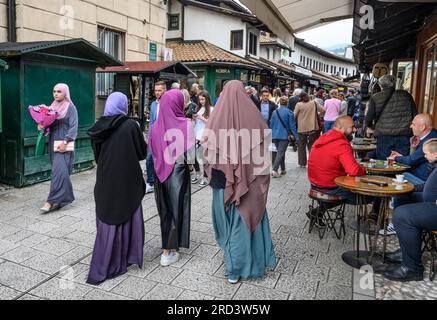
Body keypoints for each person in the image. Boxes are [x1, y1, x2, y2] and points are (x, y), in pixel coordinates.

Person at [203, 80, 276, 284]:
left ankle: (233, 267)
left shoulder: (215, 116)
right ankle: (244, 263)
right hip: (249, 185)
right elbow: (263, 155)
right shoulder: (255, 116)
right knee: (243, 222)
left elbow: (207, 151)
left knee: (228, 223)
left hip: (221, 183)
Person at [87, 92, 147, 285]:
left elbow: (97, 157)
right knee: (128, 211)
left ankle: (106, 260)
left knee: (108, 215)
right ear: (124, 105)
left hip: (105, 178)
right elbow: (141, 153)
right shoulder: (130, 125)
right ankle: (127, 256)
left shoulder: (97, 128)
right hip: (127, 179)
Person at [149, 89, 195, 267]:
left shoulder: (154, 127)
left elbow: (152, 151)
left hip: (160, 172)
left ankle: (168, 248)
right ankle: (168, 252)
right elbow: (190, 157)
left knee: (165, 209)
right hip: (178, 172)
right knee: (178, 209)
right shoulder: (186, 124)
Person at [383, 139, 437, 282]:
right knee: (402, 197)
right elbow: (428, 186)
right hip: (430, 201)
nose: (425, 156)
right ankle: (405, 252)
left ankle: (412, 268)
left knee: (402, 216)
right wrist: (409, 188)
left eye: (426, 154)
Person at [308, 116, 366, 205]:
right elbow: (353, 171)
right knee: (375, 195)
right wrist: (364, 170)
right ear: (341, 128)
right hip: (331, 189)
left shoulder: (322, 138)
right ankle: (372, 216)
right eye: (352, 127)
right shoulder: (342, 144)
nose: (355, 130)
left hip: (314, 186)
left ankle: (319, 211)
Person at [40, 84, 78, 213]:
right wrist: (42, 126)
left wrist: (65, 141)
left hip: (64, 143)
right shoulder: (52, 107)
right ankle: (63, 198)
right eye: (54, 91)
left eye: (59, 91)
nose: (56, 94)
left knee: (59, 171)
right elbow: (49, 125)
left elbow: (73, 127)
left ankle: (50, 201)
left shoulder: (71, 107)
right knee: (60, 171)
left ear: (65, 93)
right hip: (53, 142)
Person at [365, 74, 417, 160]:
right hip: (403, 135)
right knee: (401, 162)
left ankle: (384, 174)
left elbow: (368, 119)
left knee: (383, 162)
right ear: (394, 83)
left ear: (381, 85)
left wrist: (373, 127)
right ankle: (399, 174)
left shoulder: (376, 97)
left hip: (383, 135)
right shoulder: (406, 95)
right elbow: (415, 115)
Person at [389, 113, 437, 186]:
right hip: (424, 177)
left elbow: (411, 161)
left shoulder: (430, 140)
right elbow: (414, 158)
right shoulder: (430, 135)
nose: (410, 126)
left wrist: (396, 157)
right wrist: (401, 156)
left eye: (413, 124)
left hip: (425, 182)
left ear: (422, 127)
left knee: (400, 176)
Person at [145, 81, 167, 194]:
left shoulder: (168, 103)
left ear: (165, 90)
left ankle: (163, 182)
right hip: (154, 136)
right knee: (149, 158)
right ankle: (150, 182)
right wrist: (148, 136)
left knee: (163, 160)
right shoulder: (153, 104)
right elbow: (151, 122)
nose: (157, 92)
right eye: (156, 90)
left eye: (159, 90)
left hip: (165, 137)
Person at [294, 92, 325, 168]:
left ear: (300, 98)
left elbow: (294, 115)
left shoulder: (299, 105)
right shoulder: (314, 103)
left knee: (301, 146)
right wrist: (317, 114)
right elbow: (323, 110)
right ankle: (312, 162)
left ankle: (302, 163)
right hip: (313, 128)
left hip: (302, 128)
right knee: (312, 145)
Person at [270, 96, 298, 177]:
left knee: (280, 152)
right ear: (287, 103)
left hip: (275, 135)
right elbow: (292, 126)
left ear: (280, 102)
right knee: (281, 152)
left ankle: (283, 169)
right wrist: (296, 137)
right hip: (284, 136)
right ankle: (275, 170)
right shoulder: (290, 112)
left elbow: (271, 124)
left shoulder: (274, 112)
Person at [192, 90, 214, 186]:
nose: (201, 101)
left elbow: (211, 123)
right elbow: (196, 123)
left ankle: (205, 177)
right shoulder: (198, 108)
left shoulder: (212, 109)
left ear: (207, 99)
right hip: (196, 134)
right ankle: (197, 173)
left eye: (203, 99)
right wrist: (194, 118)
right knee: (193, 156)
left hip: (205, 135)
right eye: (200, 99)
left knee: (204, 158)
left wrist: (201, 118)